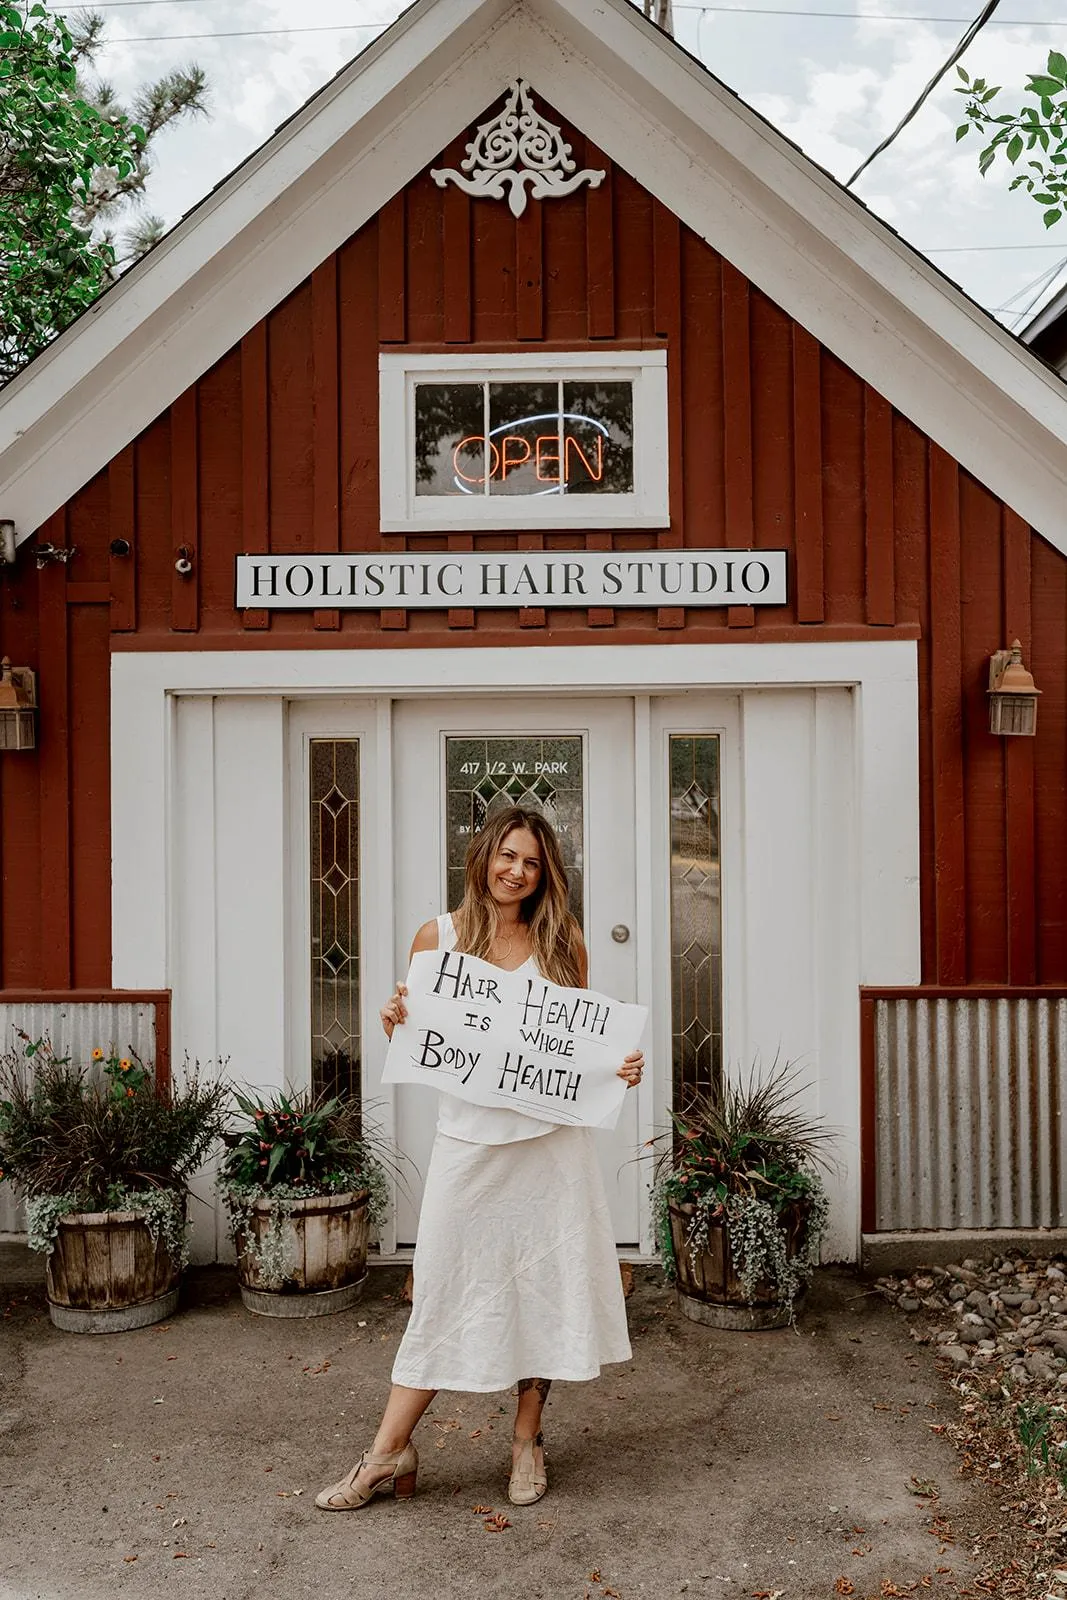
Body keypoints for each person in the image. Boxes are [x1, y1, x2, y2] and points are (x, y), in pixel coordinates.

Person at [315, 805, 644, 1513]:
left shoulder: (564, 942)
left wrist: (618, 1068)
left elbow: (580, 1046)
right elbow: (423, 1025)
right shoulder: (441, 936)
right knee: (442, 1291)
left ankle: (527, 1441)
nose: (515, 872)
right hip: (469, 1142)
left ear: (543, 871)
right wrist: (396, 1018)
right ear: (483, 855)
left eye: (529, 862)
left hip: (550, 1149)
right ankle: (387, 1450)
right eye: (506, 856)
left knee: (542, 1285)